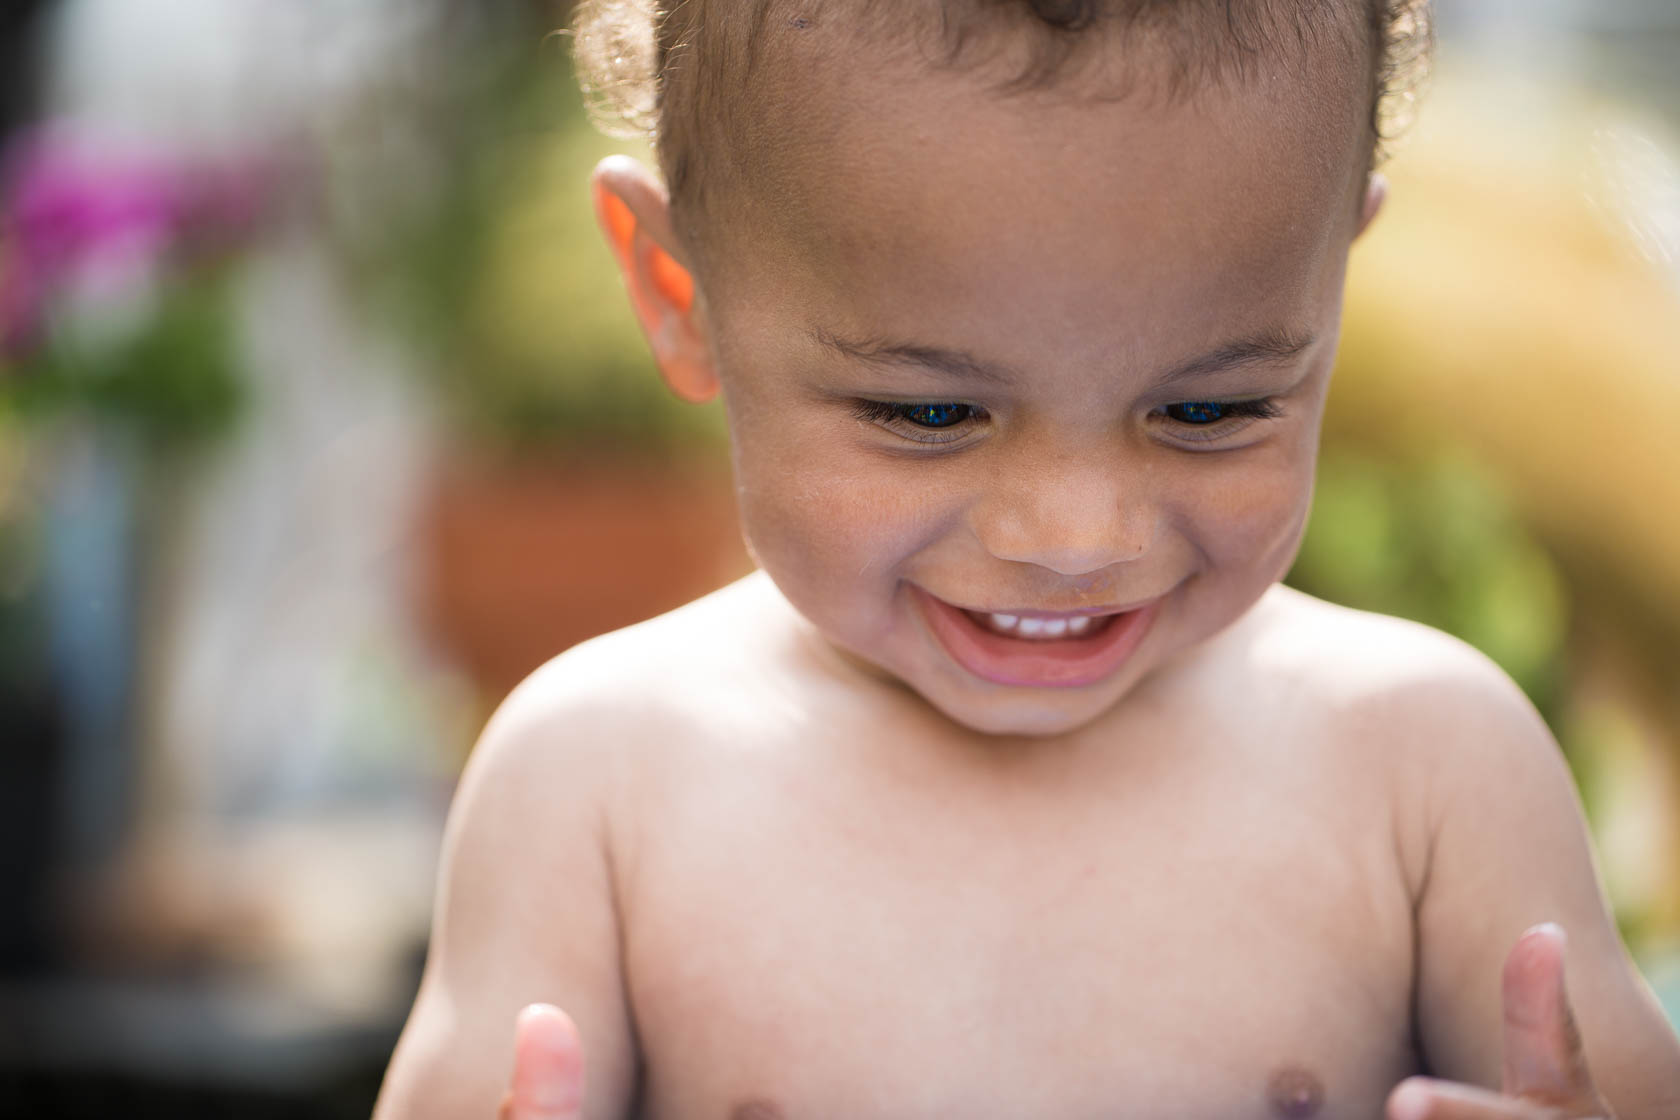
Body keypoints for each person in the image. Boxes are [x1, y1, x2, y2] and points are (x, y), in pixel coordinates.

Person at [374, 1, 1680, 1117]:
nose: (1076, 536)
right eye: (929, 414)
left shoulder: (1430, 773)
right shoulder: (599, 787)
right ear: (677, 292)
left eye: (1208, 409)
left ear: (1331, 273)